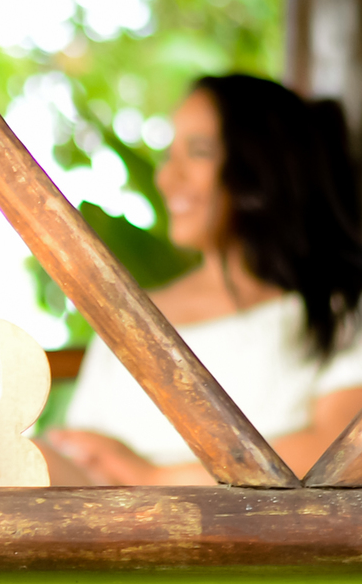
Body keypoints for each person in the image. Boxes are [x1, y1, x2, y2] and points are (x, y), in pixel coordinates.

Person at [45, 74, 362, 485]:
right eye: (169, 155)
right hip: (101, 526)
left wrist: (155, 479)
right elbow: (81, 450)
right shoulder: (130, 312)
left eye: (197, 152)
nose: (166, 177)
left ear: (260, 167)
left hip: (239, 538)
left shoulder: (337, 312)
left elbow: (340, 453)